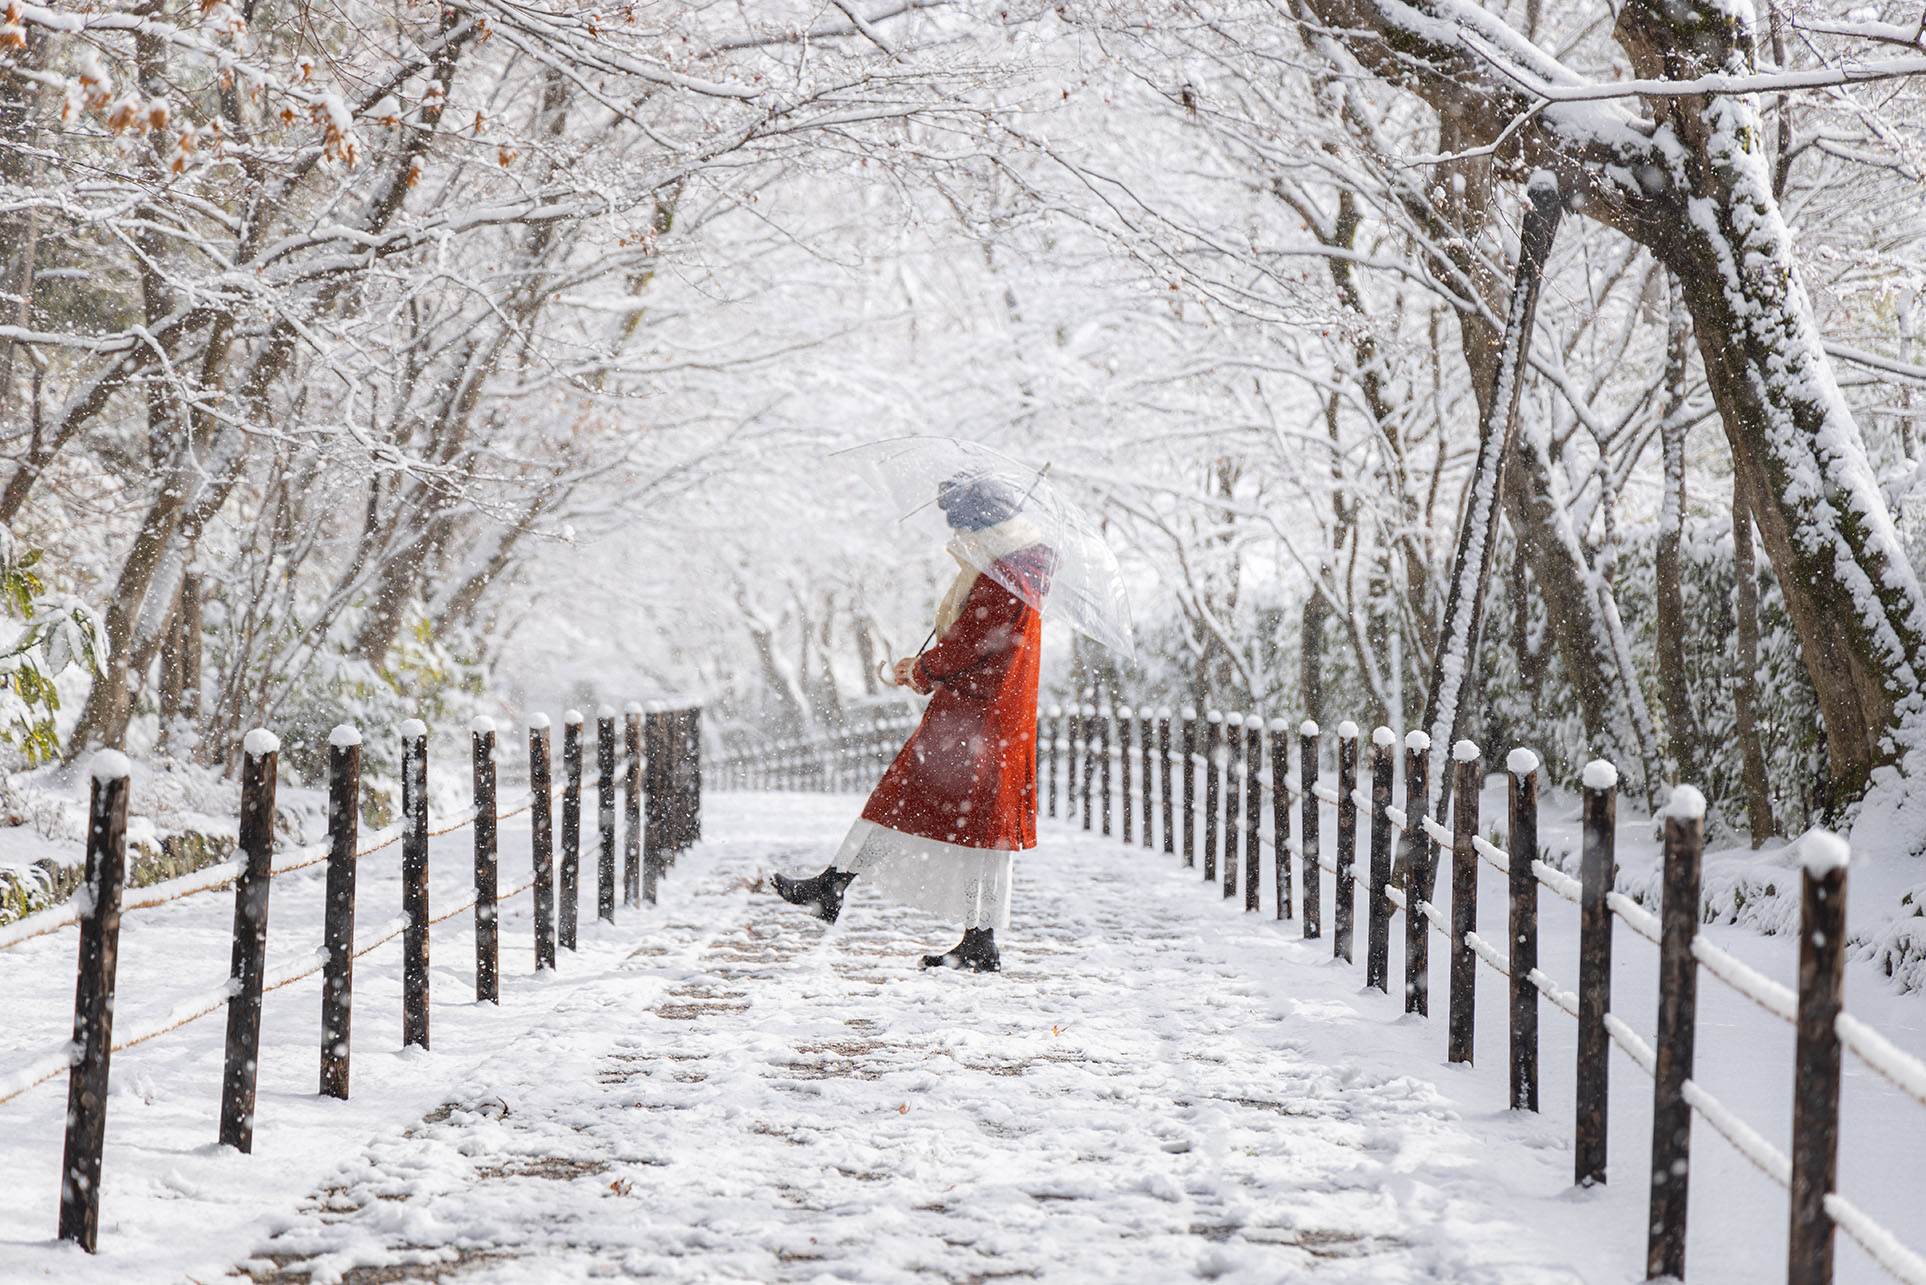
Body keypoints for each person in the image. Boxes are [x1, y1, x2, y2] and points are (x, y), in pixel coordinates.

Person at [773, 473, 1054, 973]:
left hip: (977, 719)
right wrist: (928, 670)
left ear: (984, 525)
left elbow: (975, 640)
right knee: (967, 822)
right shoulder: (1017, 571)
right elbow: (980, 641)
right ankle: (971, 935)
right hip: (988, 715)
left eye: (963, 526)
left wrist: (923, 668)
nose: (958, 537)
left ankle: (839, 887)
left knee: (920, 803)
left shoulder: (1006, 575)